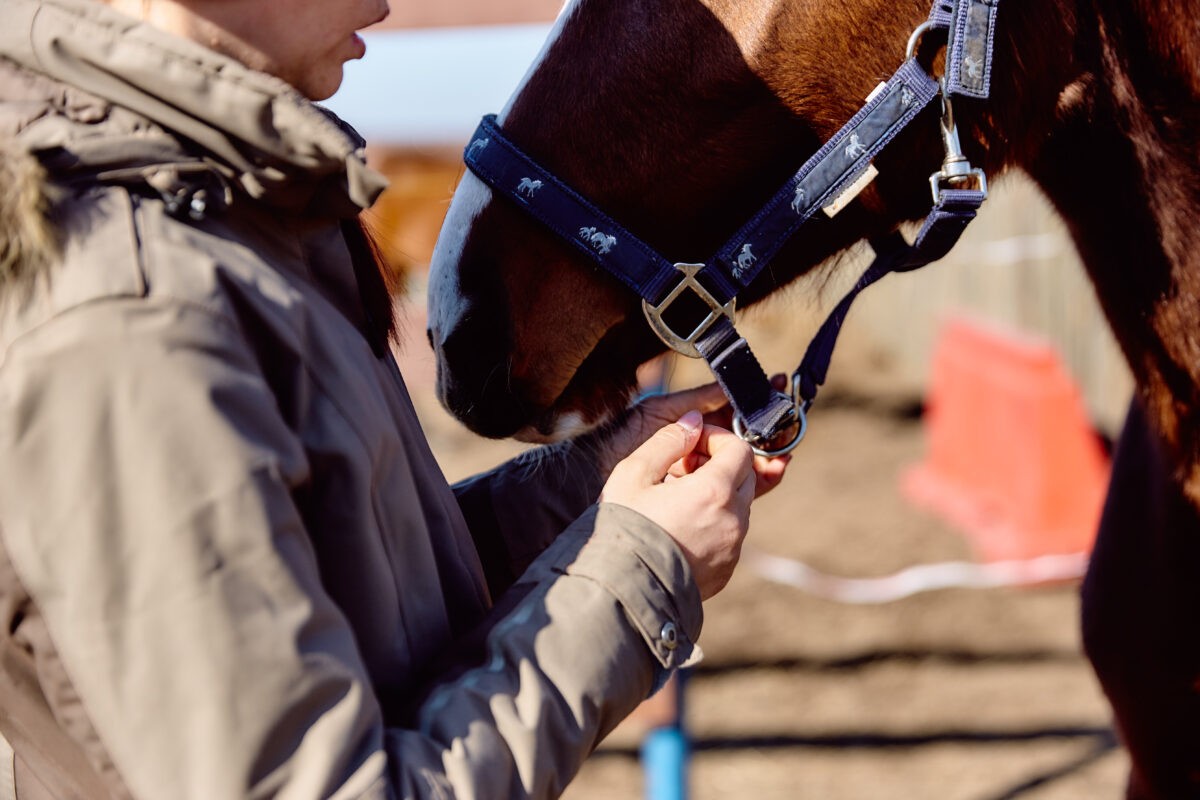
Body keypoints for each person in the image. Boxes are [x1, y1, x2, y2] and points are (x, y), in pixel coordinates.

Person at [0, 0, 790, 797]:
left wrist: (590, 491)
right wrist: (642, 571)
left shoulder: (217, 221)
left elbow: (349, 590)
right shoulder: (127, 321)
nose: (384, 2)